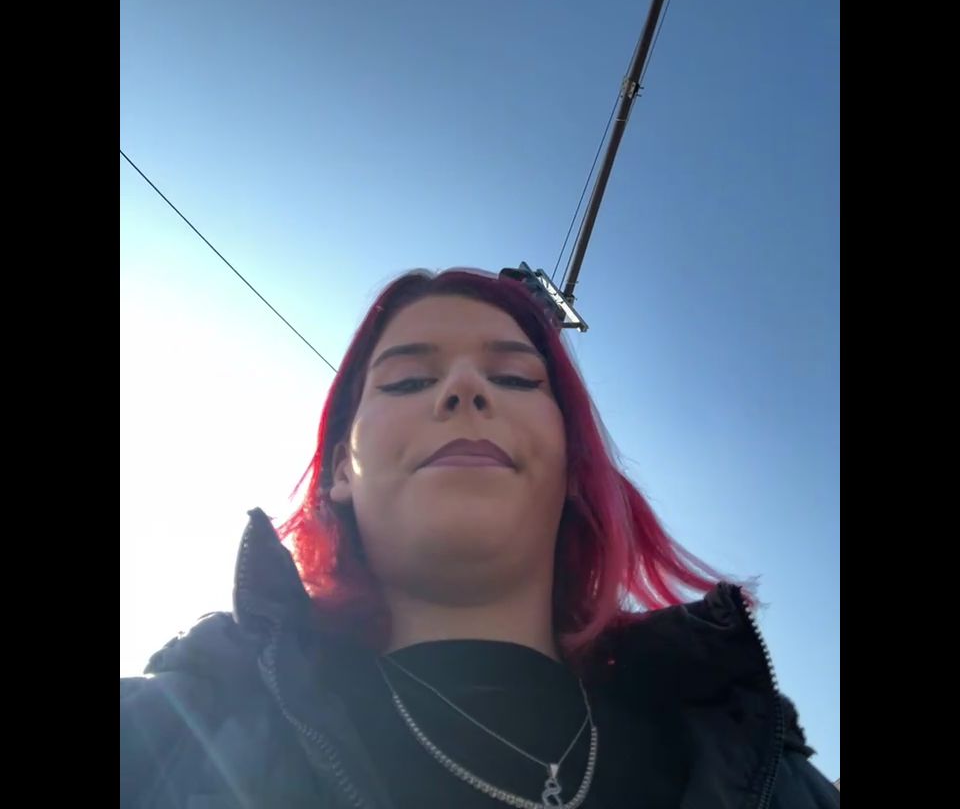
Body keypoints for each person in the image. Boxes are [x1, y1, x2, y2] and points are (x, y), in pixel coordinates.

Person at [120, 268, 840, 808]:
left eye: (516, 377)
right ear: (341, 470)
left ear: (573, 466)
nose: (465, 390)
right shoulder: (167, 731)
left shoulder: (766, 775)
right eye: (407, 381)